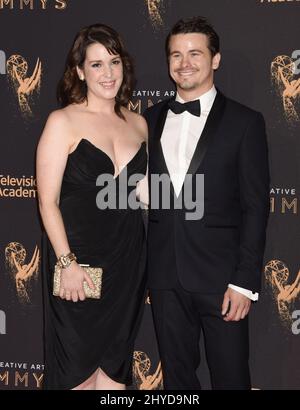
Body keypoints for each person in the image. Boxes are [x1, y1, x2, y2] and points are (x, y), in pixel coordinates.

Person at [144, 16, 270, 390]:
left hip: (223, 281)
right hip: (165, 277)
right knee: (178, 383)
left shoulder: (245, 122)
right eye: (176, 54)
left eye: (195, 53)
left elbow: (255, 206)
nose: (185, 63)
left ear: (215, 59)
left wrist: (245, 282)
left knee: (231, 378)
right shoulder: (146, 120)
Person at [36, 23, 148, 390]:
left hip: (127, 265)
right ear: (80, 71)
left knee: (115, 377)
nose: (108, 73)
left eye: (114, 62)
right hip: (78, 266)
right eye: (97, 65)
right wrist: (66, 263)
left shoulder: (139, 123)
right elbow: (48, 202)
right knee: (76, 374)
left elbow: (145, 193)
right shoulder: (62, 121)